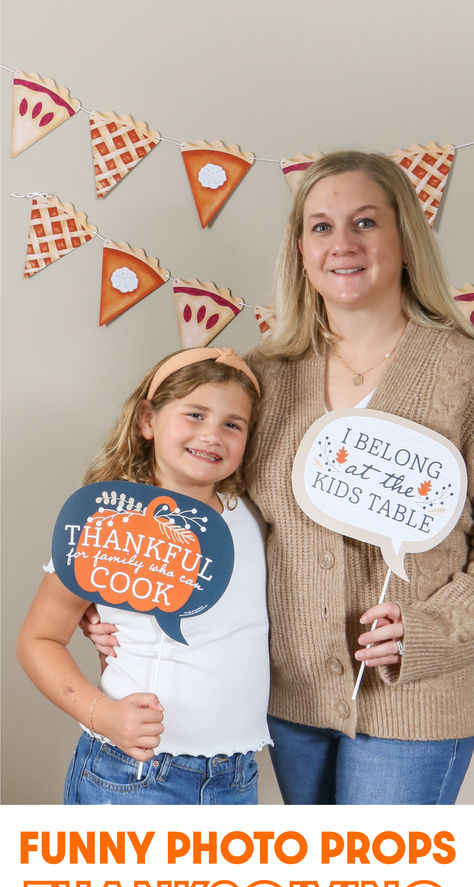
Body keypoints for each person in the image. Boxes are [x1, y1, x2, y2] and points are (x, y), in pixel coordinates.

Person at [82, 150, 474, 805]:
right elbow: (202, 512)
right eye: (321, 226)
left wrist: (432, 633)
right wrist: (125, 592)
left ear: (405, 239)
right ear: (300, 250)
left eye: (365, 223)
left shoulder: (462, 372)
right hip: (289, 701)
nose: (342, 243)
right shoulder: (260, 378)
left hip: (417, 703)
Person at [17, 347, 271, 805]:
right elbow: (38, 639)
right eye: (195, 414)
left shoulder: (252, 518)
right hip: (136, 772)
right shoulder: (106, 523)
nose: (212, 435)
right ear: (147, 421)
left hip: (235, 777)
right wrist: (101, 714)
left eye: (233, 424)